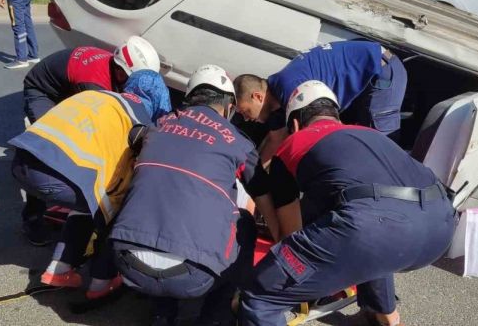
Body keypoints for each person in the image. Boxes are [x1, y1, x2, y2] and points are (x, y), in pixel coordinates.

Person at [238, 81, 456, 326]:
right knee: (373, 234)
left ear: (295, 124)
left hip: (376, 229)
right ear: (337, 118)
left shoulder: (293, 145)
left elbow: (290, 236)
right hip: (440, 227)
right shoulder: (371, 135)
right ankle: (388, 320)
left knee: (261, 295)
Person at [109, 65, 260, 326]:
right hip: (192, 278)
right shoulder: (238, 141)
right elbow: (265, 195)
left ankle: (162, 315)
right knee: (245, 222)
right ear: (228, 107)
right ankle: (214, 319)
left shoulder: (155, 128)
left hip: (127, 264)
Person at [11, 70, 172, 299]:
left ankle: (59, 269)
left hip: (22, 160)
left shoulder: (100, 96)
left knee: (89, 199)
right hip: (56, 176)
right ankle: (101, 281)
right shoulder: (140, 121)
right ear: (158, 99)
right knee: (116, 209)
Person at [20, 36, 161, 245]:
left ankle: (72, 199)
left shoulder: (114, 71)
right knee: (48, 150)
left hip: (68, 87)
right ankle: (32, 219)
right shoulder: (95, 83)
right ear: (121, 71)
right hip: (44, 92)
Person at [234, 40, 407, 163]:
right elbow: (275, 139)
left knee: (378, 149)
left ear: (257, 96)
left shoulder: (291, 88)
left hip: (381, 68)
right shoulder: (277, 95)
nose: (247, 119)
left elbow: (315, 137)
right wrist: (254, 185)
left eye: (246, 112)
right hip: (367, 73)